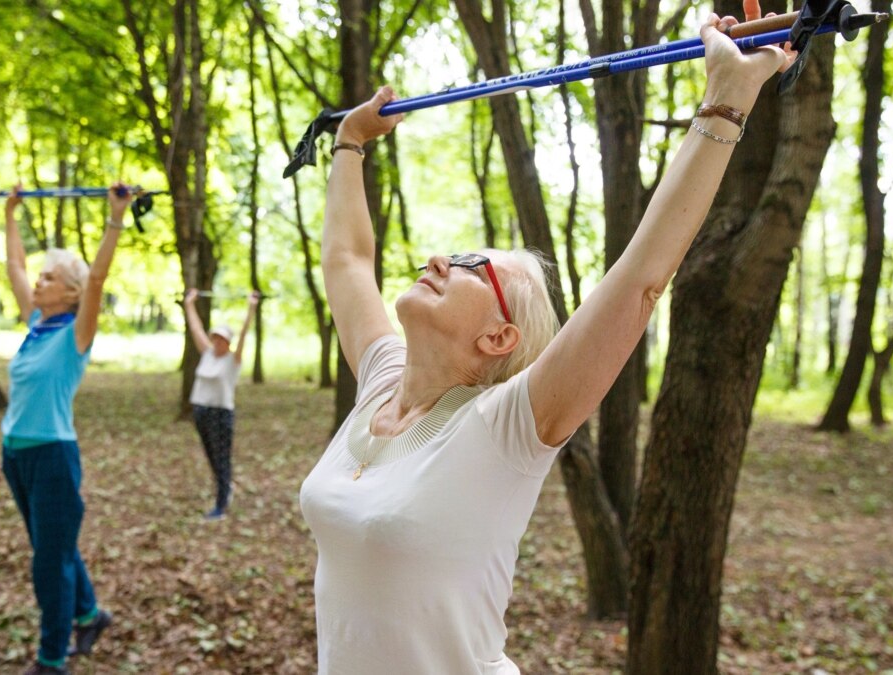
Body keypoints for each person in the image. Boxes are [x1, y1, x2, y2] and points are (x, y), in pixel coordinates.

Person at [297, 2, 795, 672]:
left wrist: (726, 102)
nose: (443, 259)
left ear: (500, 337)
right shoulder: (382, 379)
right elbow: (348, 261)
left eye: (474, 265)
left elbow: (642, 279)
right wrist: (351, 142)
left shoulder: (506, 427)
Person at [1, 183, 136, 674]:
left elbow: (98, 278)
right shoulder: (35, 322)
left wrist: (115, 218)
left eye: (49, 277)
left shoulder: (77, 331)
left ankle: (52, 658)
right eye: (40, 277)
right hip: (15, 453)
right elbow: (14, 268)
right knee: (51, 547)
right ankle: (89, 614)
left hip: (53, 457)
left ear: (72, 291)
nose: (38, 282)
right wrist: (11, 215)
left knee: (48, 564)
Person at [182, 288, 259, 520]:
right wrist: (189, 304)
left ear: (228, 342)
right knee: (211, 456)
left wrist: (251, 308)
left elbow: (245, 334)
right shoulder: (206, 354)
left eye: (222, 339)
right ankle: (226, 490)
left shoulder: (232, 361)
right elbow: (195, 328)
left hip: (220, 414)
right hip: (201, 411)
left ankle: (221, 505)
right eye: (215, 337)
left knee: (221, 458)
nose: (217, 342)